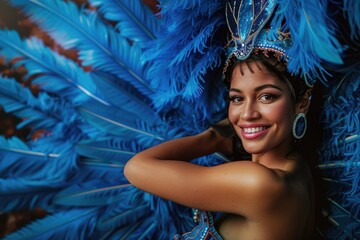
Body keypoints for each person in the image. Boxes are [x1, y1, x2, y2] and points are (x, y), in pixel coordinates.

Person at [124, 48, 317, 239]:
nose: (247, 114)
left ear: (302, 103)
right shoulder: (298, 167)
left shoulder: (260, 183)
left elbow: (136, 167)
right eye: (237, 98)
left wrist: (213, 138)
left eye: (266, 96)